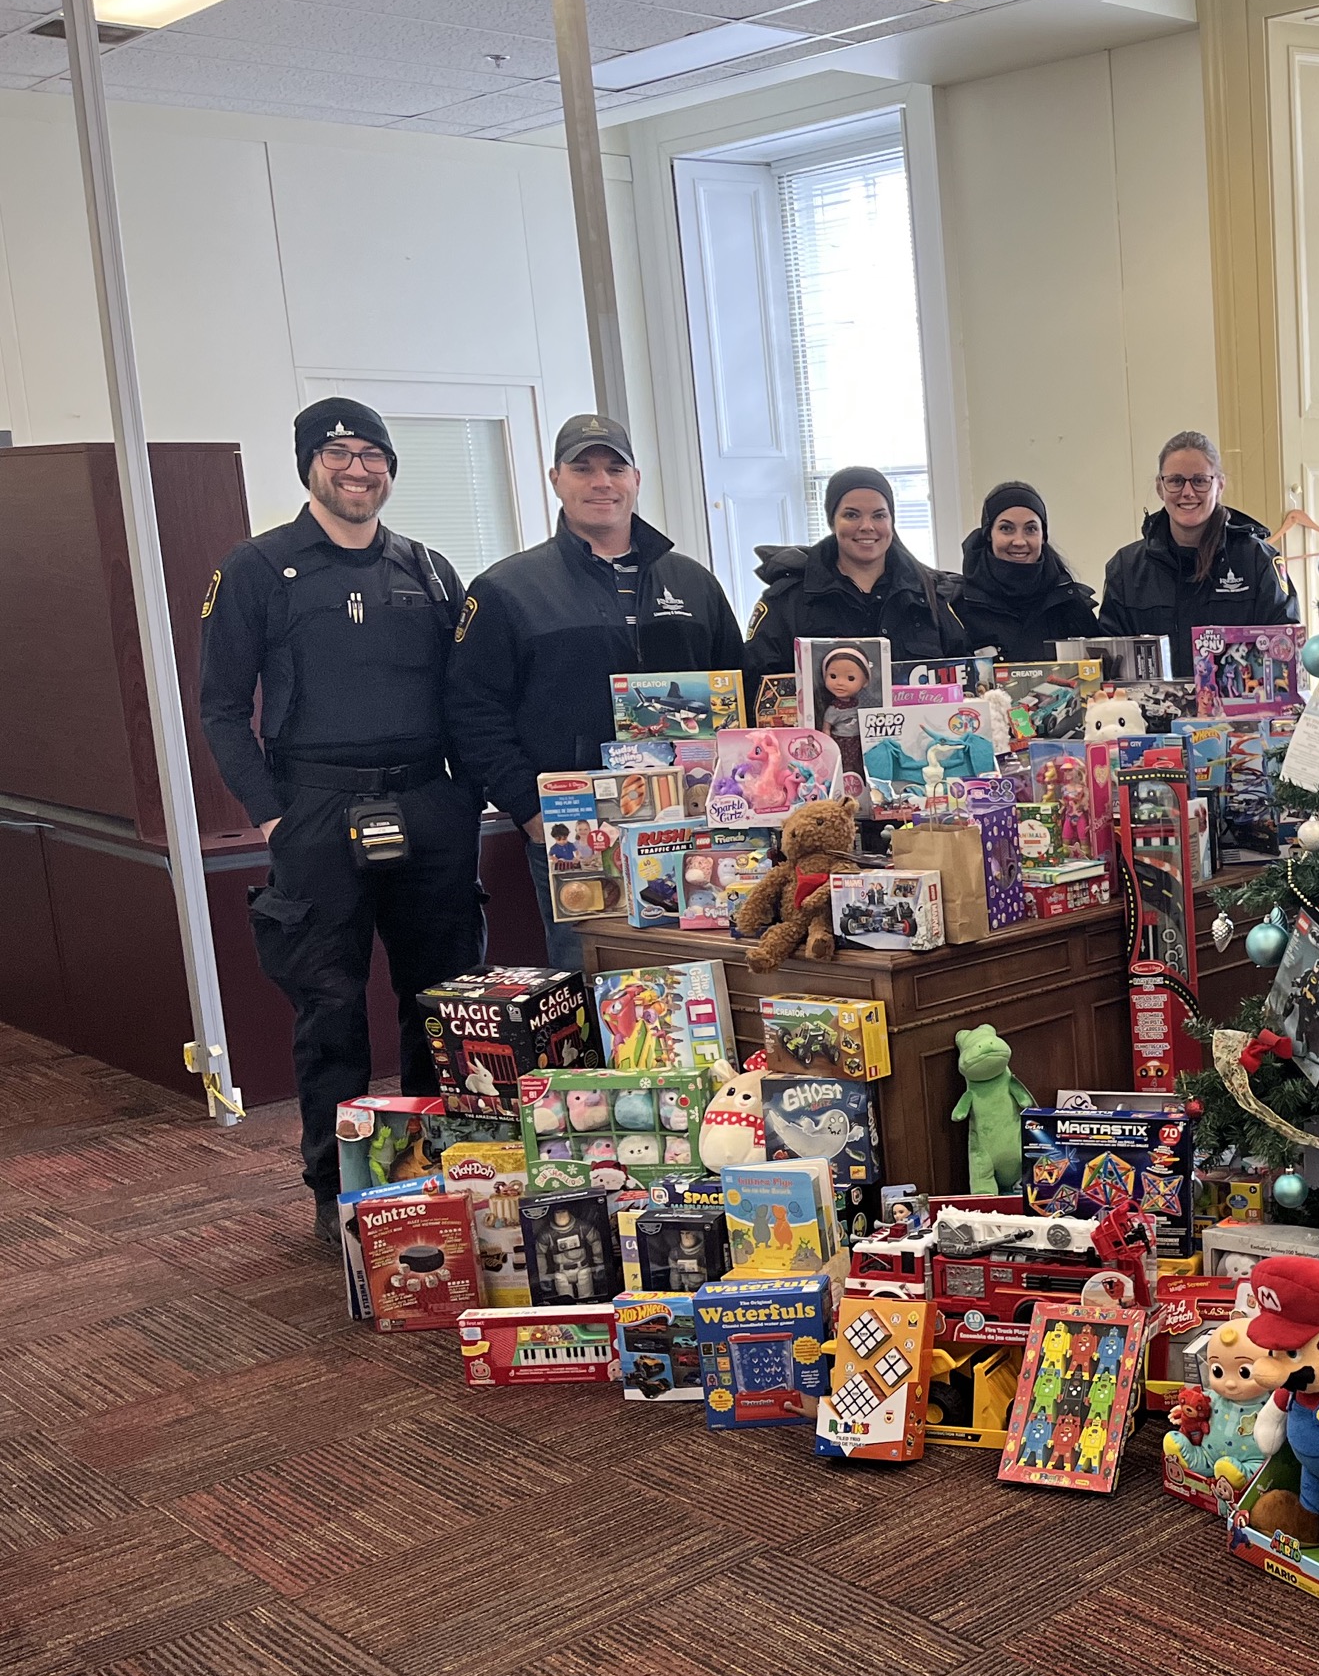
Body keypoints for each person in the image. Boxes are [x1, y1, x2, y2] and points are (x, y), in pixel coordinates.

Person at [198, 398, 485, 1242]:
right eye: (338, 454)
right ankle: (339, 1186)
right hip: (315, 811)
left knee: (440, 1001)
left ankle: (439, 1164)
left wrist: (465, 795)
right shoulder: (256, 569)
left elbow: (468, 695)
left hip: (429, 807)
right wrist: (273, 817)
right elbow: (220, 708)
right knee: (329, 1007)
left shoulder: (429, 569)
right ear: (307, 466)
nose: (358, 469)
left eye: (373, 454)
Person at [445, 413, 743, 973]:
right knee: (596, 984)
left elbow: (739, 694)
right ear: (556, 478)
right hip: (577, 830)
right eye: (583, 468)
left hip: (699, 825)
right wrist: (529, 808)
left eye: (614, 467)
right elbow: (470, 713)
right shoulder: (507, 590)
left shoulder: (694, 582)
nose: (600, 481)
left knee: (705, 978)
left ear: (636, 479)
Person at [743, 466, 969, 696]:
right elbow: (759, 688)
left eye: (879, 515)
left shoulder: (930, 593)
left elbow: (966, 678)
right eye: (851, 515)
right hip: (820, 731)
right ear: (832, 521)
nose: (867, 526)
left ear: (892, 521)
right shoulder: (788, 599)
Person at [1102, 430, 1296, 681]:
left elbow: (1285, 648)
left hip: (1241, 716)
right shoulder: (1126, 568)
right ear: (1160, 488)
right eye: (1175, 481)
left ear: (1220, 485)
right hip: (1150, 716)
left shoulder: (1258, 562)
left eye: (1200, 480)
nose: (1188, 492)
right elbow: (1110, 664)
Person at [955, 480, 1099, 662]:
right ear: (988, 534)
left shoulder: (1070, 604)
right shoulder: (959, 607)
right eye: (1006, 528)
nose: (1019, 541)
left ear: (1042, 536)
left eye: (1030, 529)